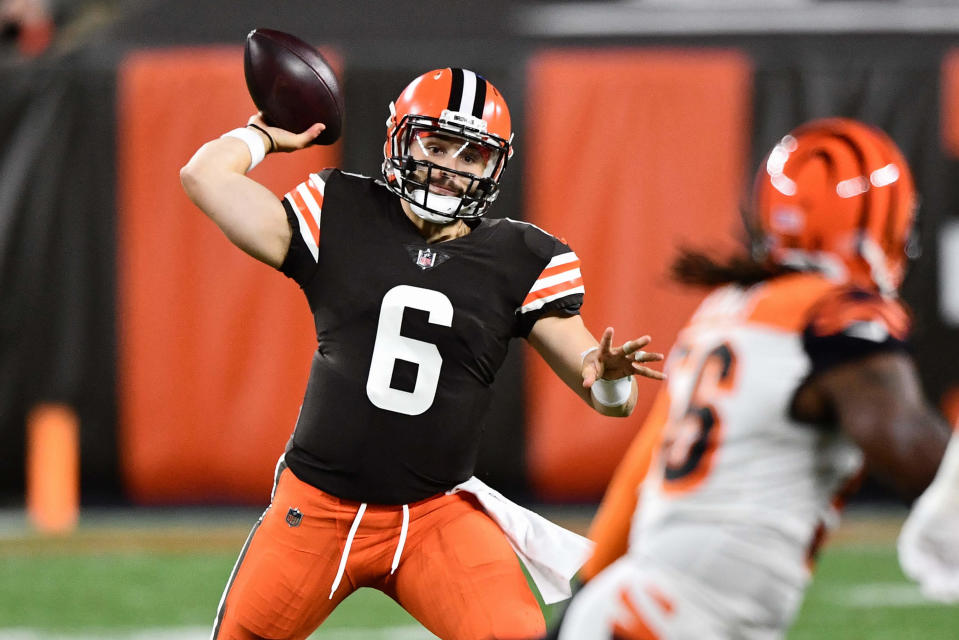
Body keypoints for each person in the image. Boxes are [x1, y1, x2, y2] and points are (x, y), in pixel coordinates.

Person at [180, 67, 665, 640]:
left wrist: (606, 376)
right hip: (316, 511)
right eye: (435, 146)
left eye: (470, 156)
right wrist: (263, 135)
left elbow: (614, 401)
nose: (448, 169)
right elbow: (203, 176)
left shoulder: (524, 258)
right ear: (399, 140)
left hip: (436, 515)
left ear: (495, 167)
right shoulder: (341, 209)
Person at [552, 117, 952, 639]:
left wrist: (582, 601)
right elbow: (906, 446)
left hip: (635, 608)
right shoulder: (834, 317)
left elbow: (637, 480)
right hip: (678, 622)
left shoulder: (727, 310)